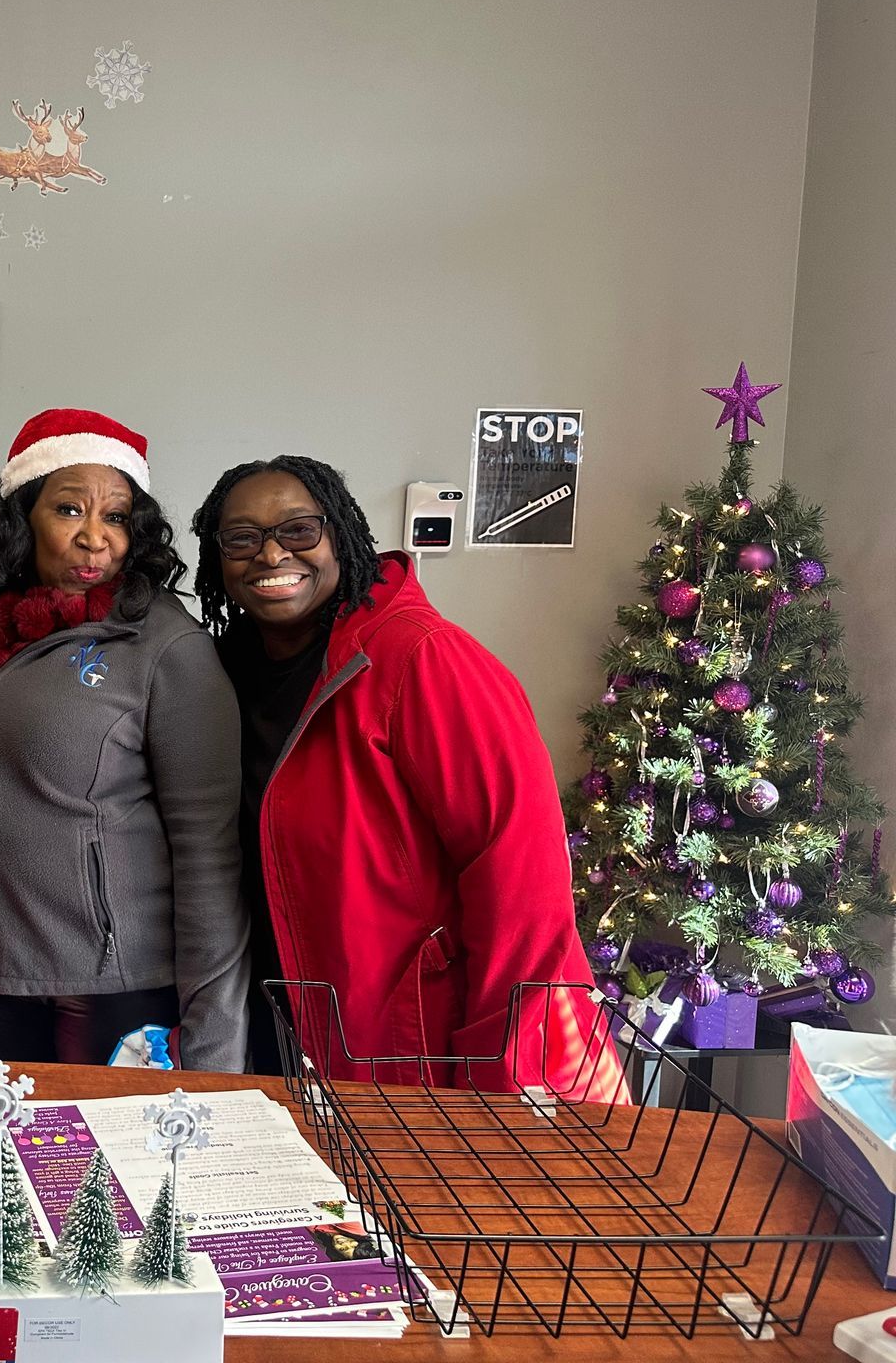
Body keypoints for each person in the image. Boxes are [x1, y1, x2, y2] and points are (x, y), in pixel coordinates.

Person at [191, 456, 623, 1096]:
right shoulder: (217, 674)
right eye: (242, 538)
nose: (271, 554)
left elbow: (521, 880)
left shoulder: (423, 658)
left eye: (299, 530)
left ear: (340, 535)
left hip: (408, 1052)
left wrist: (501, 1064)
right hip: (267, 1032)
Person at [0, 409, 250, 1071]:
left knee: (106, 1147)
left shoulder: (167, 646)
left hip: (113, 995)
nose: (95, 538)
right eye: (69, 510)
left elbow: (210, 857)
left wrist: (215, 1048)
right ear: (22, 517)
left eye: (116, 517)